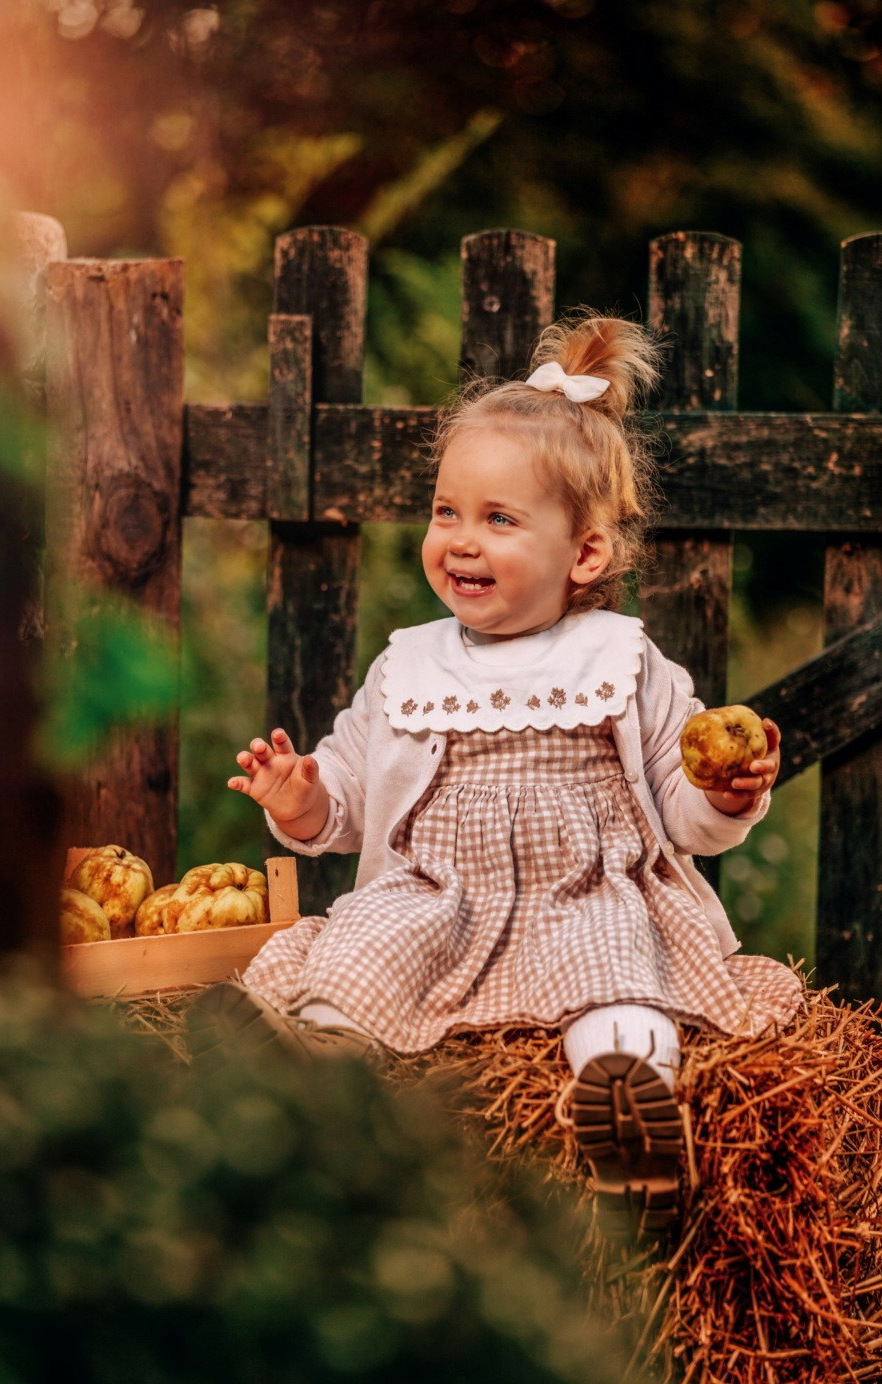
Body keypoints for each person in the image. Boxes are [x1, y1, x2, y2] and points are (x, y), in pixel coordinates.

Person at [228, 312, 803, 1235]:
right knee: (363, 942)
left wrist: (724, 795)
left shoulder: (623, 660)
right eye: (446, 512)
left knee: (617, 973)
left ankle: (630, 1101)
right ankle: (317, 1053)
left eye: (499, 519)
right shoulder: (409, 664)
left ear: (585, 553)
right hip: (436, 894)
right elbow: (350, 792)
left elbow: (678, 806)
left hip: (585, 892)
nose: (461, 539)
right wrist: (302, 798)